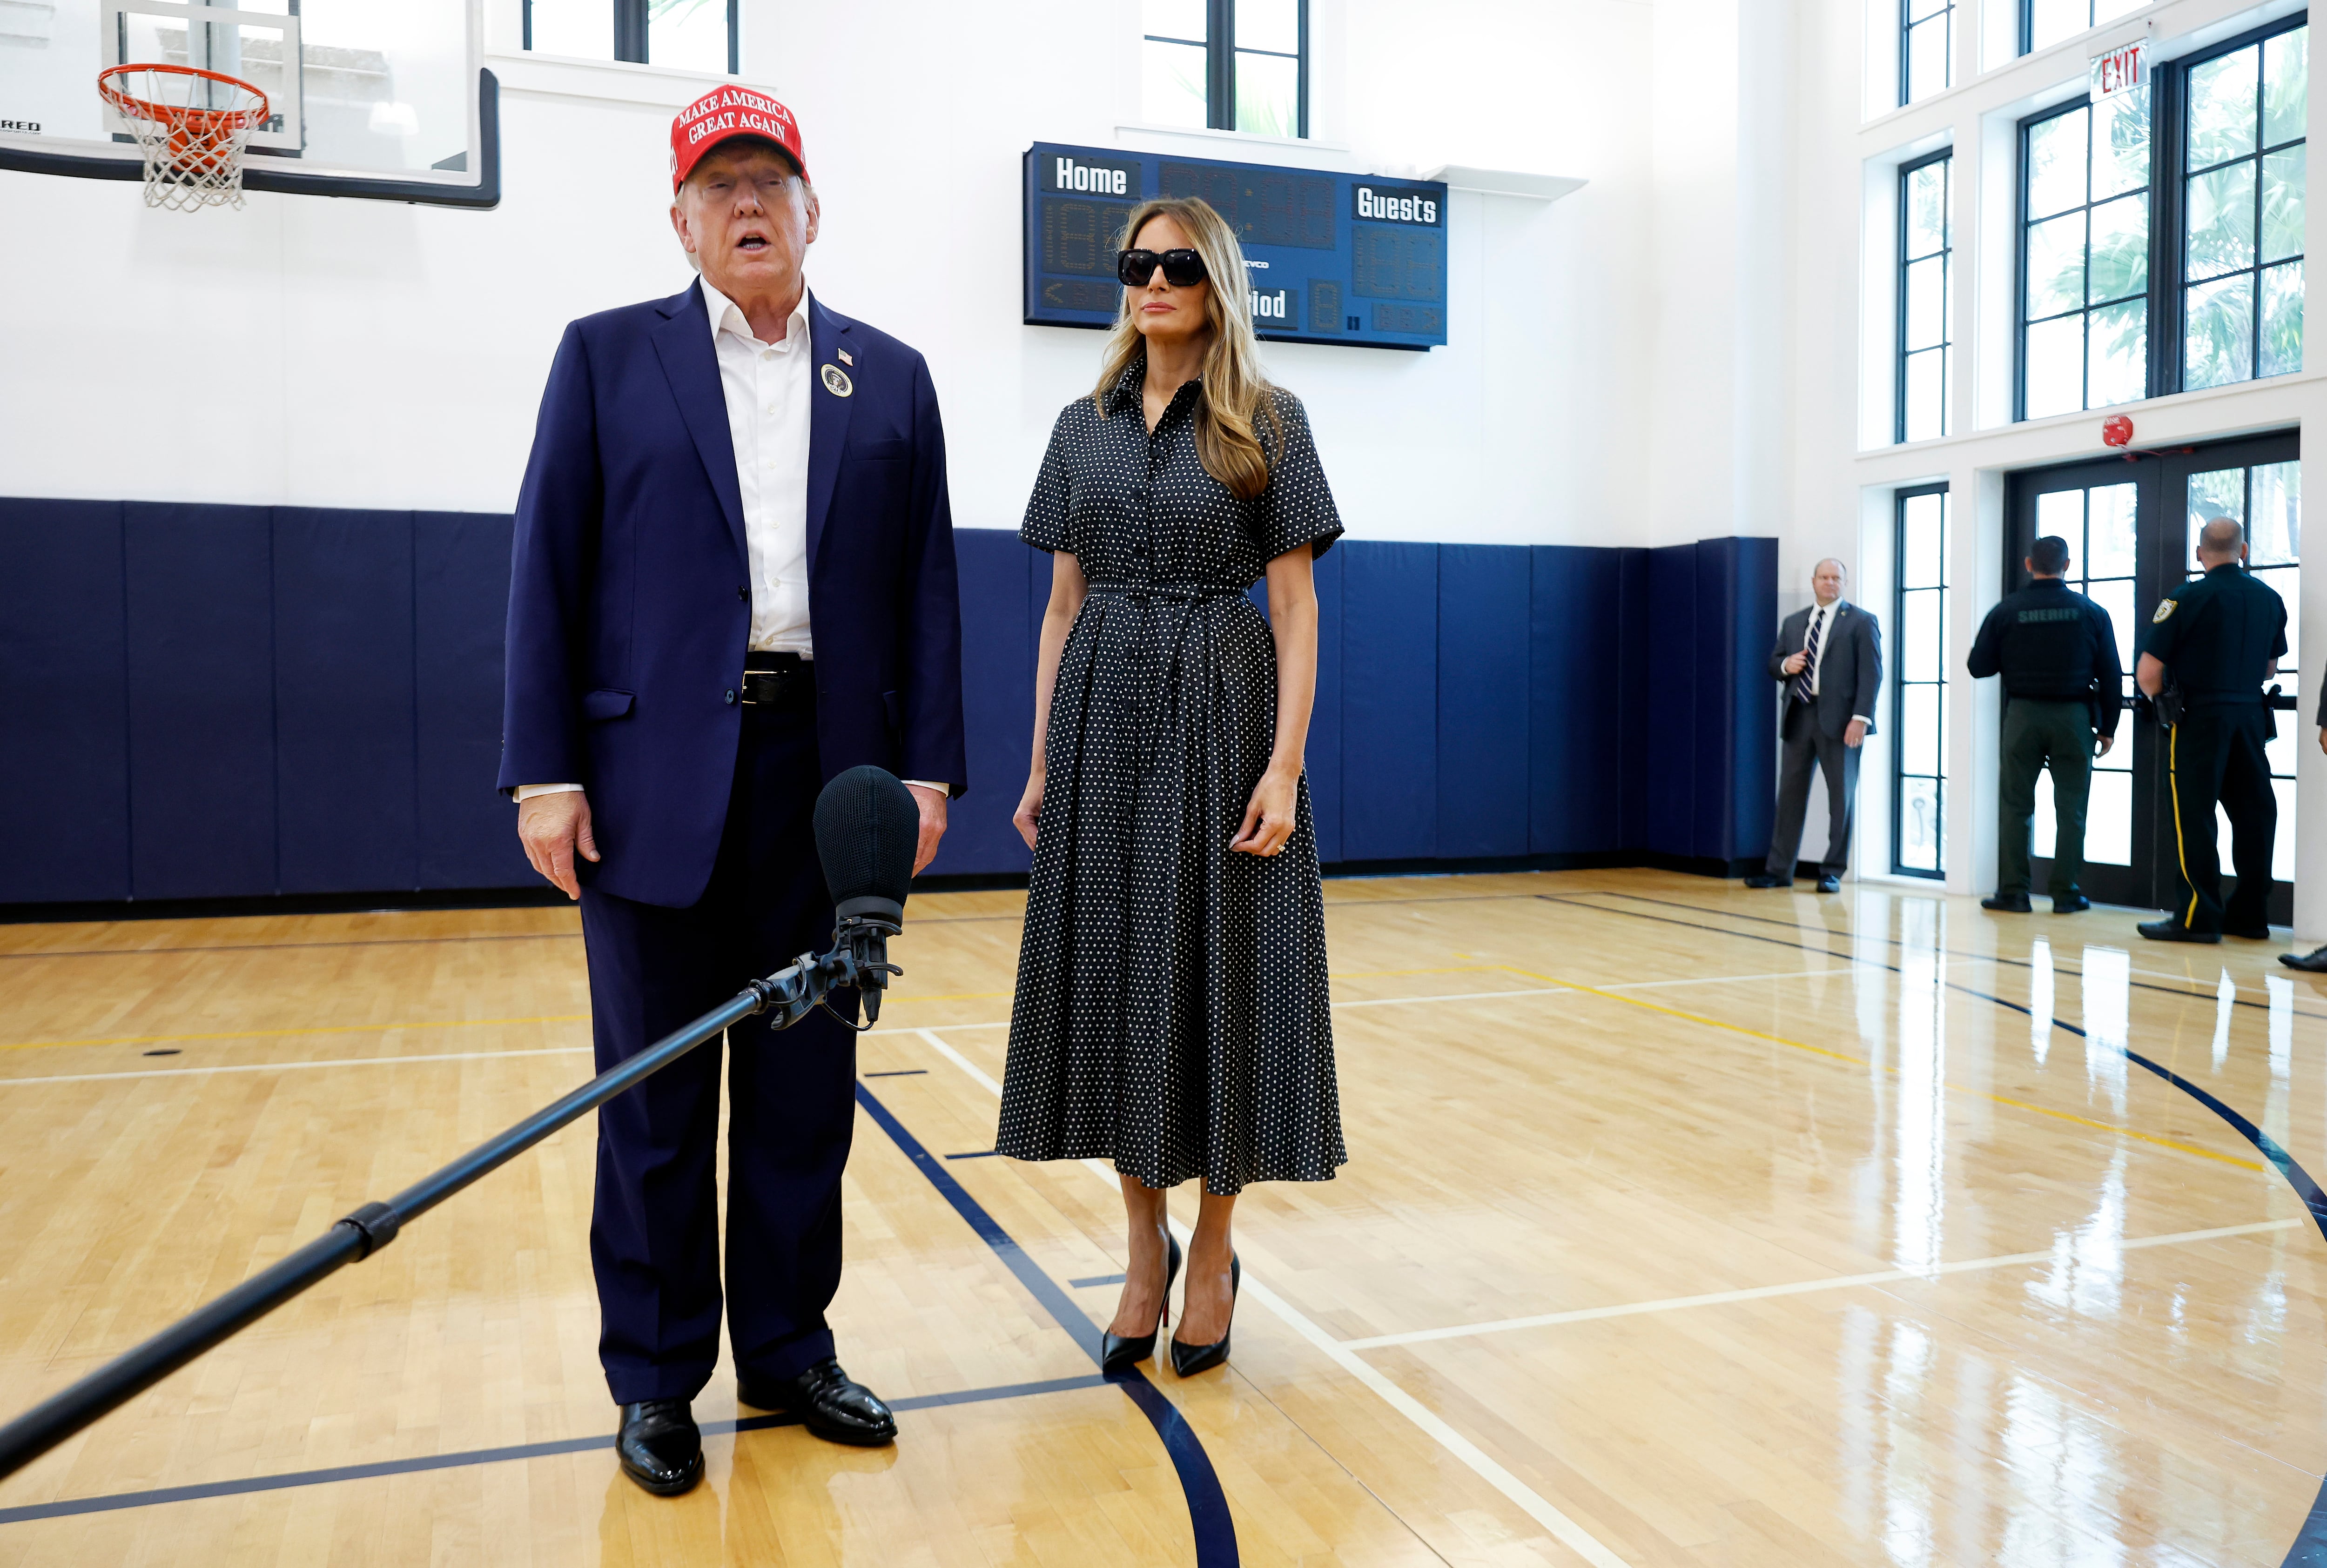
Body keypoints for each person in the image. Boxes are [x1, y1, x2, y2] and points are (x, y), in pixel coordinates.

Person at [498, 86, 966, 1496]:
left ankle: (785, 1345)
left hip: (829, 788)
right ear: (681, 217)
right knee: (652, 1101)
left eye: (770, 182)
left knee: (802, 1093)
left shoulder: (888, 377)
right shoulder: (603, 361)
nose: (748, 206)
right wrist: (544, 774)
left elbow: (927, 589)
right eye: (720, 187)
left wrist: (926, 770)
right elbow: (547, 571)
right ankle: (653, 1378)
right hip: (649, 786)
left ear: (813, 208)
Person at [995, 196, 1347, 1379]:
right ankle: (1141, 1244)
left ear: (1216, 283)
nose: (1152, 280)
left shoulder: (1270, 421)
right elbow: (1059, 607)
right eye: (1137, 263)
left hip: (1225, 712)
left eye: (1177, 265)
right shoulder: (1078, 424)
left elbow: (1294, 609)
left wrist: (1285, 765)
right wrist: (1043, 758)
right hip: (1104, 718)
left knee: (1224, 985)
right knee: (1118, 989)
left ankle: (1216, 1248)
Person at [2133, 516, 2284, 944]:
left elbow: (2148, 673)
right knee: (2255, 815)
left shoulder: (2184, 599)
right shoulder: (2270, 599)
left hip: (2199, 718)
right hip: (2251, 716)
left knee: (2194, 817)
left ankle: (2198, 917)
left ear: (2200, 554)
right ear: (2244, 551)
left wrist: (2167, 709)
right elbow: (2270, 667)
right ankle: (2251, 916)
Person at [1966, 534, 2123, 915]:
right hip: (2073, 717)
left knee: (2015, 805)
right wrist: (2109, 727)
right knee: (2072, 809)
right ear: (2067, 566)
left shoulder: (2007, 611)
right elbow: (2112, 673)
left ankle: (2014, 893)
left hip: (2023, 715)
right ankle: (2066, 894)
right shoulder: (2092, 612)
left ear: (2028, 564)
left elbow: (1978, 667)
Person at [1745, 558, 1882, 893]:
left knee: (1841, 798)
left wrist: (1860, 719)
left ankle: (1832, 872)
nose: (1830, 583)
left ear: (1845, 583)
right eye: (1824, 577)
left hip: (1841, 722)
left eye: (1837, 578)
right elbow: (1773, 663)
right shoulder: (1794, 622)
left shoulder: (1862, 622)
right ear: (1814, 581)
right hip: (1800, 715)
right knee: (1789, 796)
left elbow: (1872, 674)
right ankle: (1778, 871)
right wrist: (1785, 665)